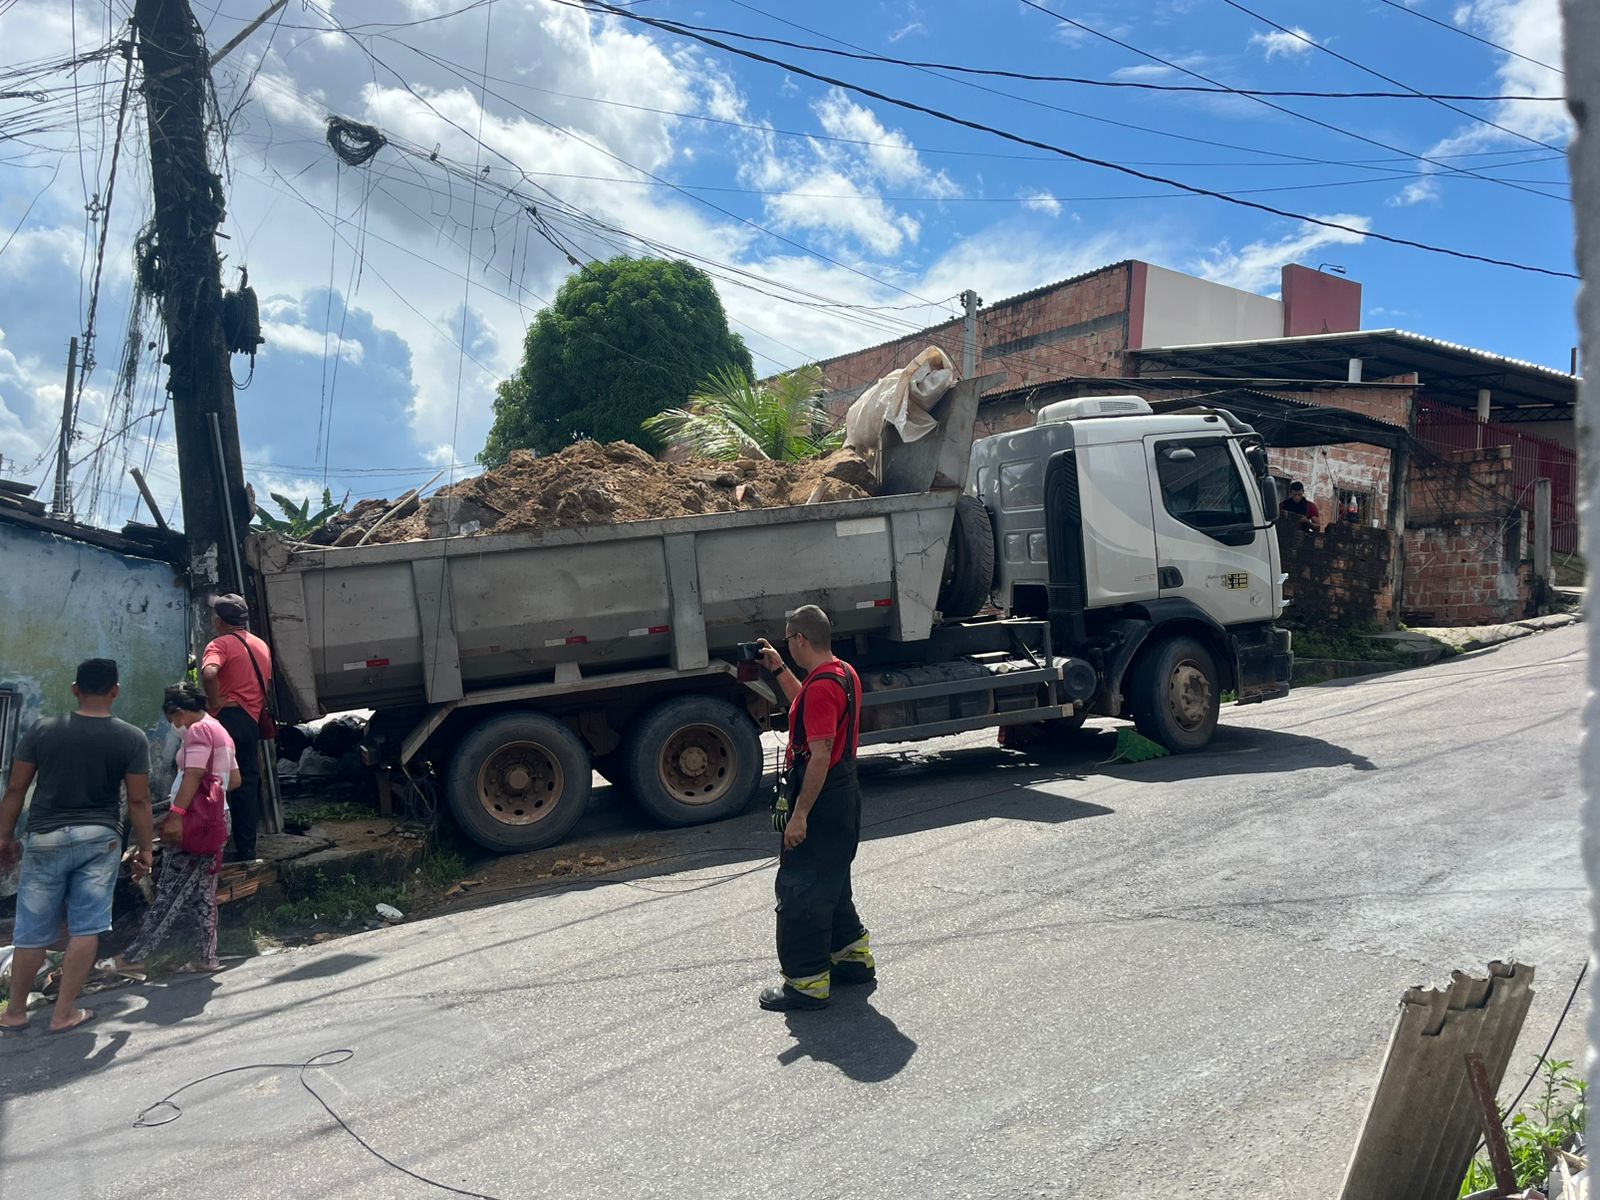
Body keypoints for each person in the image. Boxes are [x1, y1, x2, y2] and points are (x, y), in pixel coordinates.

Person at [0, 659, 153, 1034]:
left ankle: (14, 1013)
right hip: (99, 839)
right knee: (87, 926)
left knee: (32, 930)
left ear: (74, 689)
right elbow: (139, 800)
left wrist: (4, 837)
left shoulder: (42, 730)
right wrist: (145, 848)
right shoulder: (131, 737)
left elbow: (16, 788)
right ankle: (63, 1013)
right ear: (115, 691)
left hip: (45, 837)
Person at [754, 604, 874, 1012]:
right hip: (844, 797)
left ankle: (806, 984)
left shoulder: (822, 687)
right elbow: (804, 705)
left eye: (788, 640)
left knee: (801, 890)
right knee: (832, 883)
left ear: (800, 639)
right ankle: (853, 961)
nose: (787, 645)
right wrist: (777, 668)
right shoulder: (842, 674)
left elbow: (820, 755)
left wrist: (800, 815)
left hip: (822, 801)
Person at [100, 684, 239, 980]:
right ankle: (207, 956)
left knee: (171, 890)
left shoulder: (198, 730)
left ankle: (132, 957)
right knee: (203, 893)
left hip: (194, 822)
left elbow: (194, 773)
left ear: (178, 713)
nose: (175, 725)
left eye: (172, 719)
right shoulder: (220, 730)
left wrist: (177, 814)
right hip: (217, 818)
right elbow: (235, 779)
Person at [200, 593, 272, 863]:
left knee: (211, 782)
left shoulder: (219, 644)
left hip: (226, 719)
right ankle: (246, 849)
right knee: (246, 784)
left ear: (219, 621)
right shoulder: (260, 645)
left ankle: (210, 846)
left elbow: (209, 672)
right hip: (251, 720)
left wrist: (213, 701)